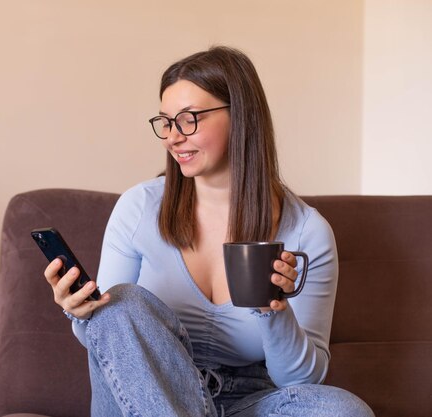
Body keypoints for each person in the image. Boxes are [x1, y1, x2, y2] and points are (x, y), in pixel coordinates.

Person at [44, 46, 374, 417]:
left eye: (189, 119)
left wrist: (274, 310)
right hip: (145, 396)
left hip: (249, 399)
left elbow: (298, 381)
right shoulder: (139, 208)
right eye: (166, 122)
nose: (172, 137)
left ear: (241, 117)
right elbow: (110, 342)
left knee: (342, 410)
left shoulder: (306, 231)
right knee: (121, 302)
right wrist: (82, 314)